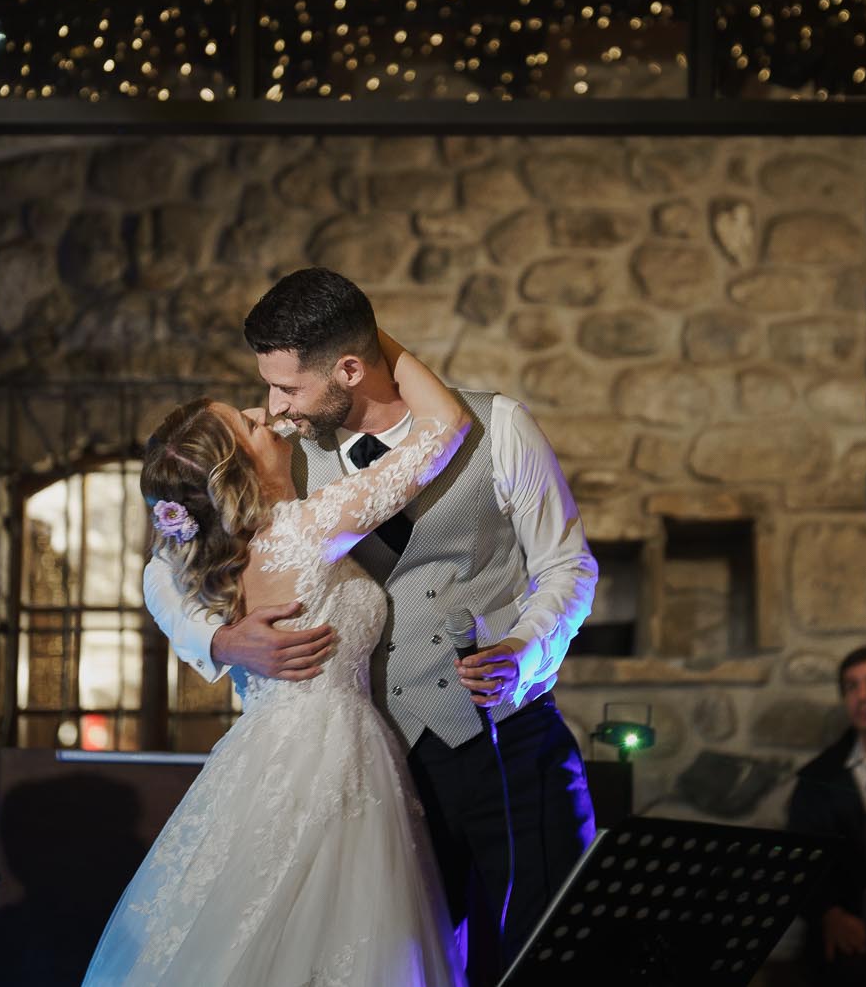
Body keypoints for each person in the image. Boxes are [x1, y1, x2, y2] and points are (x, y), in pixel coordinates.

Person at [143, 267, 599, 982]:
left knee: (549, 953)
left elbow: (569, 564)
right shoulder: (283, 466)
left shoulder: (499, 425)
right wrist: (222, 639)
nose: (276, 408)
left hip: (502, 740)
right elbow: (163, 568)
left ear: (349, 367)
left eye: (288, 387)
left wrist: (528, 646)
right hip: (375, 763)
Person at [83, 330, 473, 986]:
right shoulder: (308, 527)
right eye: (248, 420)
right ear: (240, 461)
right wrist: (368, 336)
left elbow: (158, 571)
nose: (265, 411)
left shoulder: (207, 556)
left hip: (263, 752)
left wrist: (216, 636)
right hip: (330, 748)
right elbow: (447, 427)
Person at [786, 645, 866, 986]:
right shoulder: (818, 777)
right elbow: (799, 860)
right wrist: (829, 913)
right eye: (851, 686)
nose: (862, 696)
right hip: (851, 935)